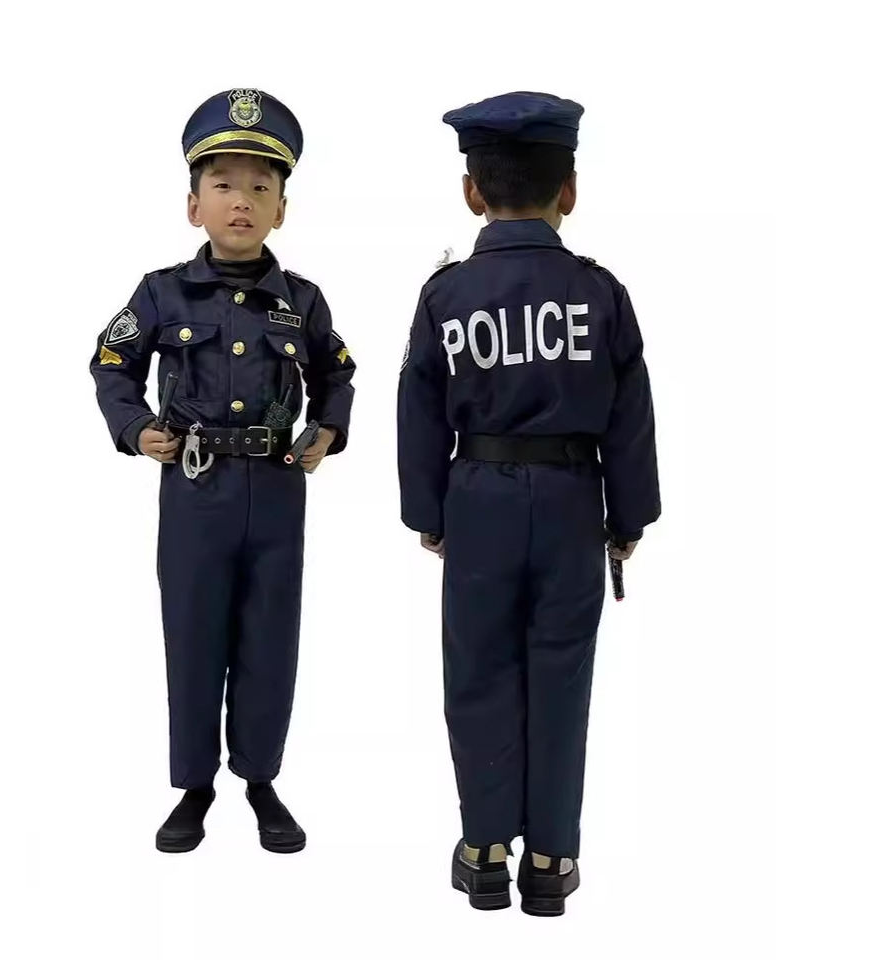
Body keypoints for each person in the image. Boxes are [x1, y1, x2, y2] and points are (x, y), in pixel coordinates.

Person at [397, 91, 659, 915]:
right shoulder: (600, 293)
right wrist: (628, 518)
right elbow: (630, 415)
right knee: (561, 677)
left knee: (478, 672)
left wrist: (428, 512)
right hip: (575, 498)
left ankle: (483, 852)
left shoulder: (445, 296)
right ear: (569, 190)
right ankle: (551, 857)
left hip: (477, 498)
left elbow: (418, 409)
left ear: (471, 192)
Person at [90, 88, 356, 854]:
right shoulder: (161, 292)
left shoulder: (302, 301)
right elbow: (110, 363)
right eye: (224, 184)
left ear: (282, 210)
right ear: (193, 205)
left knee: (271, 636)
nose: (242, 201)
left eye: (261, 188)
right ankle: (195, 785)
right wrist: (136, 427)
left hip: (276, 487)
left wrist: (327, 429)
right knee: (194, 631)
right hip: (195, 486)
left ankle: (261, 778)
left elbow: (337, 372)